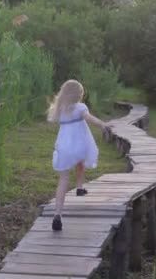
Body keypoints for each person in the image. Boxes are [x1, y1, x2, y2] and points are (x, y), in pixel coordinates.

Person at [47, 80, 111, 231]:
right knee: (80, 161)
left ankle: (57, 214)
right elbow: (90, 118)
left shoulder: (59, 109)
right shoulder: (81, 107)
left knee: (63, 179)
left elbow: (53, 120)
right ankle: (80, 187)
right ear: (78, 95)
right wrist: (103, 124)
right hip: (80, 144)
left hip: (64, 145)